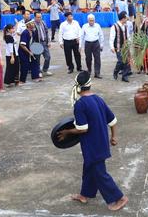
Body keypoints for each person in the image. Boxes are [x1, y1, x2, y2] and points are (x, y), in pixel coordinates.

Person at [56, 71, 128, 211]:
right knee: (89, 169)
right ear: (90, 84)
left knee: (100, 173)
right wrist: (114, 136)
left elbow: (82, 129)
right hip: (101, 142)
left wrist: (67, 132)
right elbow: (112, 120)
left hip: (92, 146)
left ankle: (119, 197)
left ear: (77, 86)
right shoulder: (98, 99)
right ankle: (85, 194)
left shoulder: (80, 105)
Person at [80, 14, 104, 79]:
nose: (91, 22)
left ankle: (97, 73)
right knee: (88, 58)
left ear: (94, 20)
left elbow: (101, 35)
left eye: (93, 20)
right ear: (88, 20)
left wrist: (101, 44)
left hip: (96, 43)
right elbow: (81, 36)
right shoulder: (84, 26)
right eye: (90, 21)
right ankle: (89, 70)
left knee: (97, 58)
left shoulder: (97, 26)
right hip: (87, 44)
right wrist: (80, 46)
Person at [110, 11, 130, 82]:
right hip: (118, 47)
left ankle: (124, 76)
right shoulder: (114, 26)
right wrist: (112, 47)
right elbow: (111, 37)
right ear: (123, 18)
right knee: (121, 61)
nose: (126, 19)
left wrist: (129, 43)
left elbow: (128, 36)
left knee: (126, 62)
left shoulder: (125, 26)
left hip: (126, 47)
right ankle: (116, 71)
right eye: (126, 18)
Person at [33, 12, 52, 76]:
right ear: (35, 17)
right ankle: (38, 72)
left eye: (40, 17)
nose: (39, 18)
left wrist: (48, 41)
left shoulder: (43, 22)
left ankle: (45, 70)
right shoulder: (32, 24)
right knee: (37, 59)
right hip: (37, 43)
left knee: (48, 57)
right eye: (38, 17)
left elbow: (47, 32)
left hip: (44, 42)